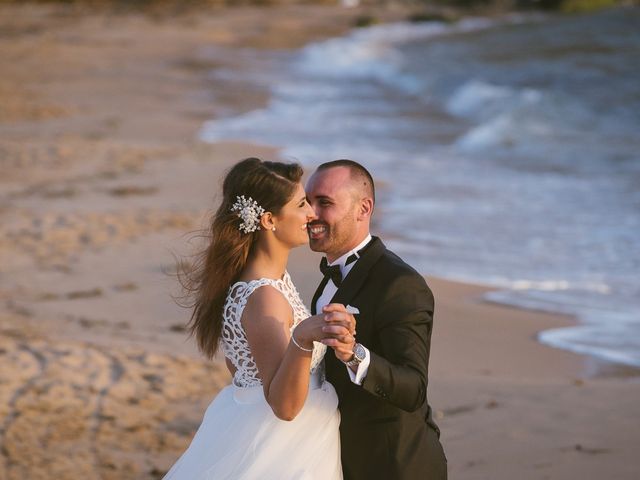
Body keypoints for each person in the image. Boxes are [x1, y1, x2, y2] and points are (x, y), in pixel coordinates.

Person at [163, 158, 353, 480]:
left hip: (266, 433)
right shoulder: (265, 298)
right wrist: (302, 337)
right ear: (268, 220)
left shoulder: (254, 282)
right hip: (283, 448)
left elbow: (240, 368)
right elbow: (285, 407)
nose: (311, 213)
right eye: (301, 204)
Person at [306, 159, 447, 480]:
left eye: (324, 203)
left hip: (392, 464)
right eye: (308, 201)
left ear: (363, 208)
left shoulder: (401, 284)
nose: (310, 214)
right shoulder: (329, 278)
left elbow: (413, 389)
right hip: (342, 457)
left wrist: (353, 353)